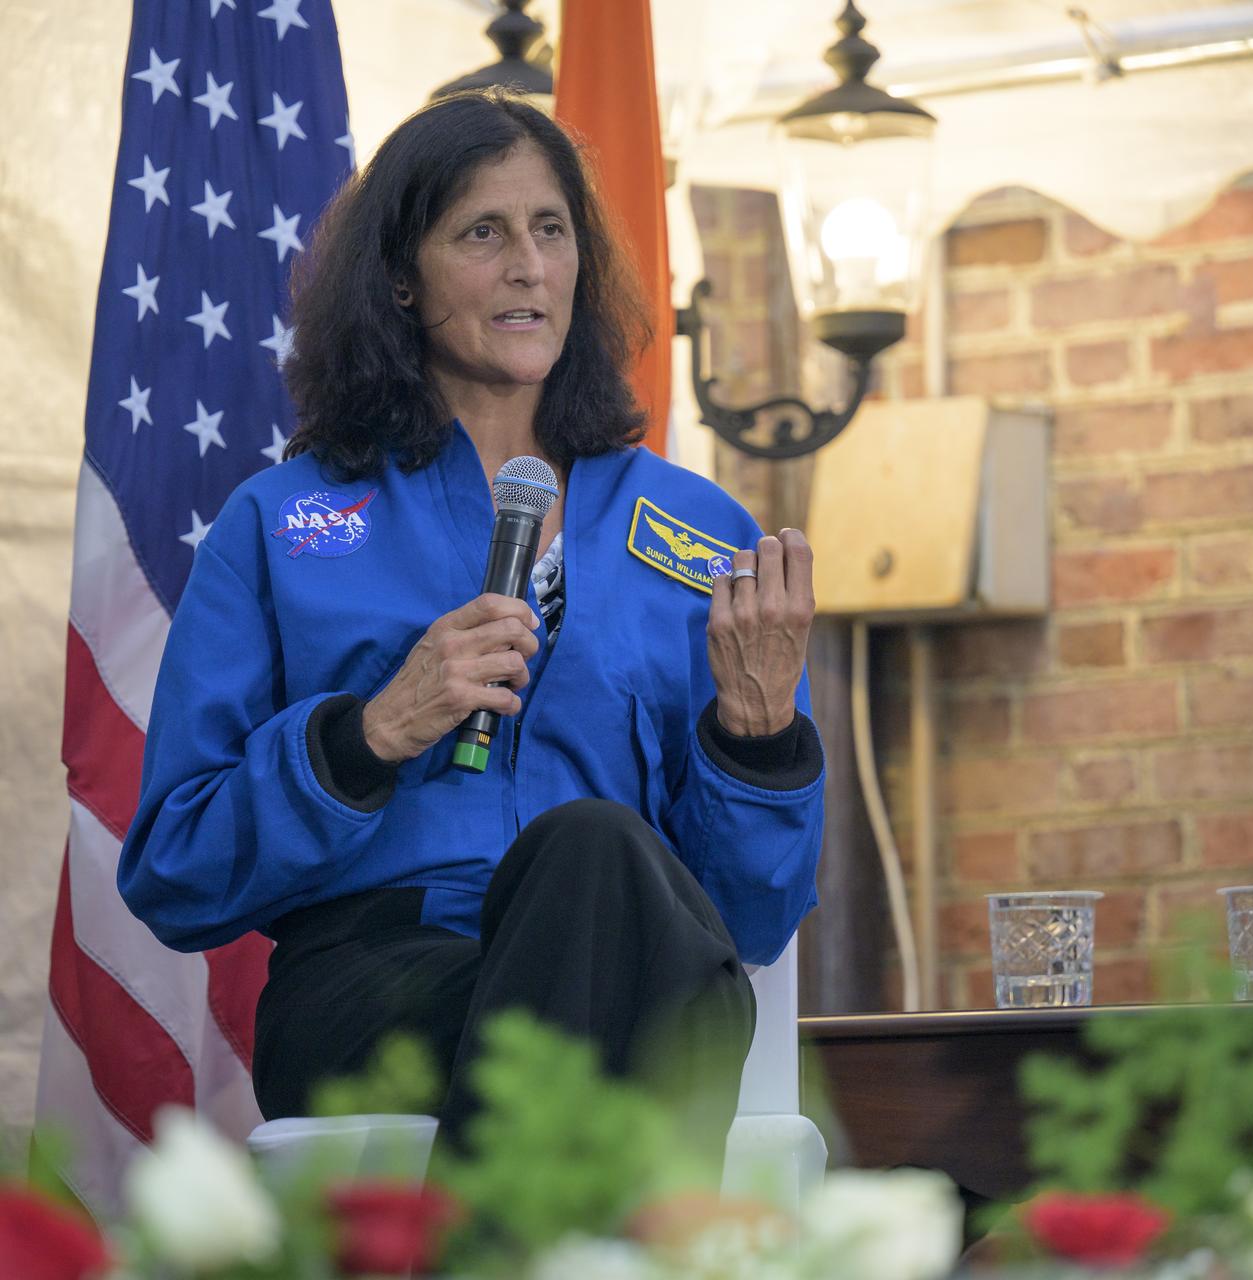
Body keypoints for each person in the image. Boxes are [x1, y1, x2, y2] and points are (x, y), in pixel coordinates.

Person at [117, 89, 825, 1169]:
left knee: (597, 855)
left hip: (644, 967)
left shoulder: (697, 531)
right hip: (379, 986)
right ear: (401, 275)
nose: (528, 265)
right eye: (482, 232)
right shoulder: (280, 522)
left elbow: (749, 913)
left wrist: (760, 738)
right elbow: (175, 869)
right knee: (600, 938)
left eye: (551, 230)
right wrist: (369, 734)